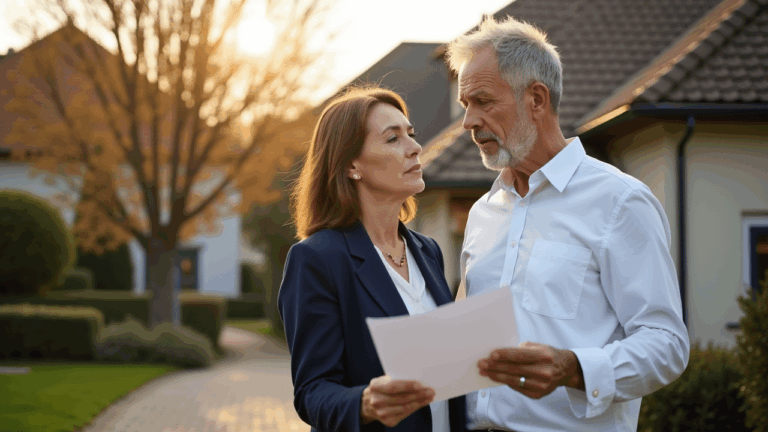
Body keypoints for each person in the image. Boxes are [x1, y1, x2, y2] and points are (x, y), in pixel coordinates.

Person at [446, 16, 690, 431]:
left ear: (536, 99)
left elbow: (667, 344)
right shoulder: (484, 211)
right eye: (465, 105)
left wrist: (575, 368)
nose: (468, 121)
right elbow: (465, 340)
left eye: (483, 101)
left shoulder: (620, 201)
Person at [278, 87, 467, 432]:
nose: (415, 147)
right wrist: (364, 403)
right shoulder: (316, 260)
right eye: (393, 139)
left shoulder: (429, 251)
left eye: (411, 134)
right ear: (352, 165)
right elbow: (312, 392)